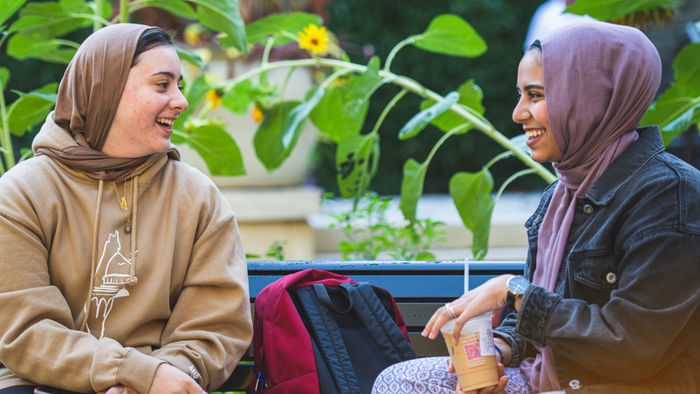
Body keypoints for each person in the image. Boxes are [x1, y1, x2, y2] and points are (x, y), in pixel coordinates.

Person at [372, 20, 700, 394]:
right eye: (520, 95)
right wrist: (500, 349)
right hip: (547, 379)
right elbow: (537, 322)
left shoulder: (670, 196)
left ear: (591, 96)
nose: (518, 113)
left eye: (536, 95)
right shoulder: (562, 195)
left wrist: (515, 293)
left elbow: (632, 346)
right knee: (401, 382)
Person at [0, 24, 253, 394]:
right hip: (35, 384)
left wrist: (157, 380)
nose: (181, 100)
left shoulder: (198, 198)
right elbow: (25, 331)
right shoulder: (22, 194)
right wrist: (131, 373)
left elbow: (215, 328)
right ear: (106, 88)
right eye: (163, 85)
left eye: (179, 85)